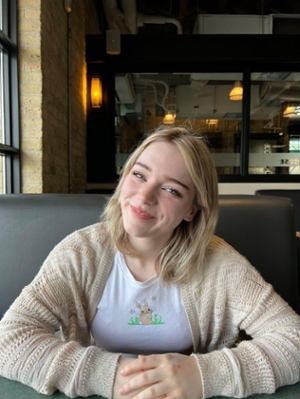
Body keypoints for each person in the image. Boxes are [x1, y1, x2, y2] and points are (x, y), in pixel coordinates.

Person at [0, 125, 300, 399]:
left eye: (171, 190)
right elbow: (8, 341)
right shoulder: (81, 253)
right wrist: (113, 377)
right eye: (139, 175)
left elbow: (294, 340)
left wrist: (201, 375)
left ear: (192, 210)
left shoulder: (220, 263)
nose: (144, 196)